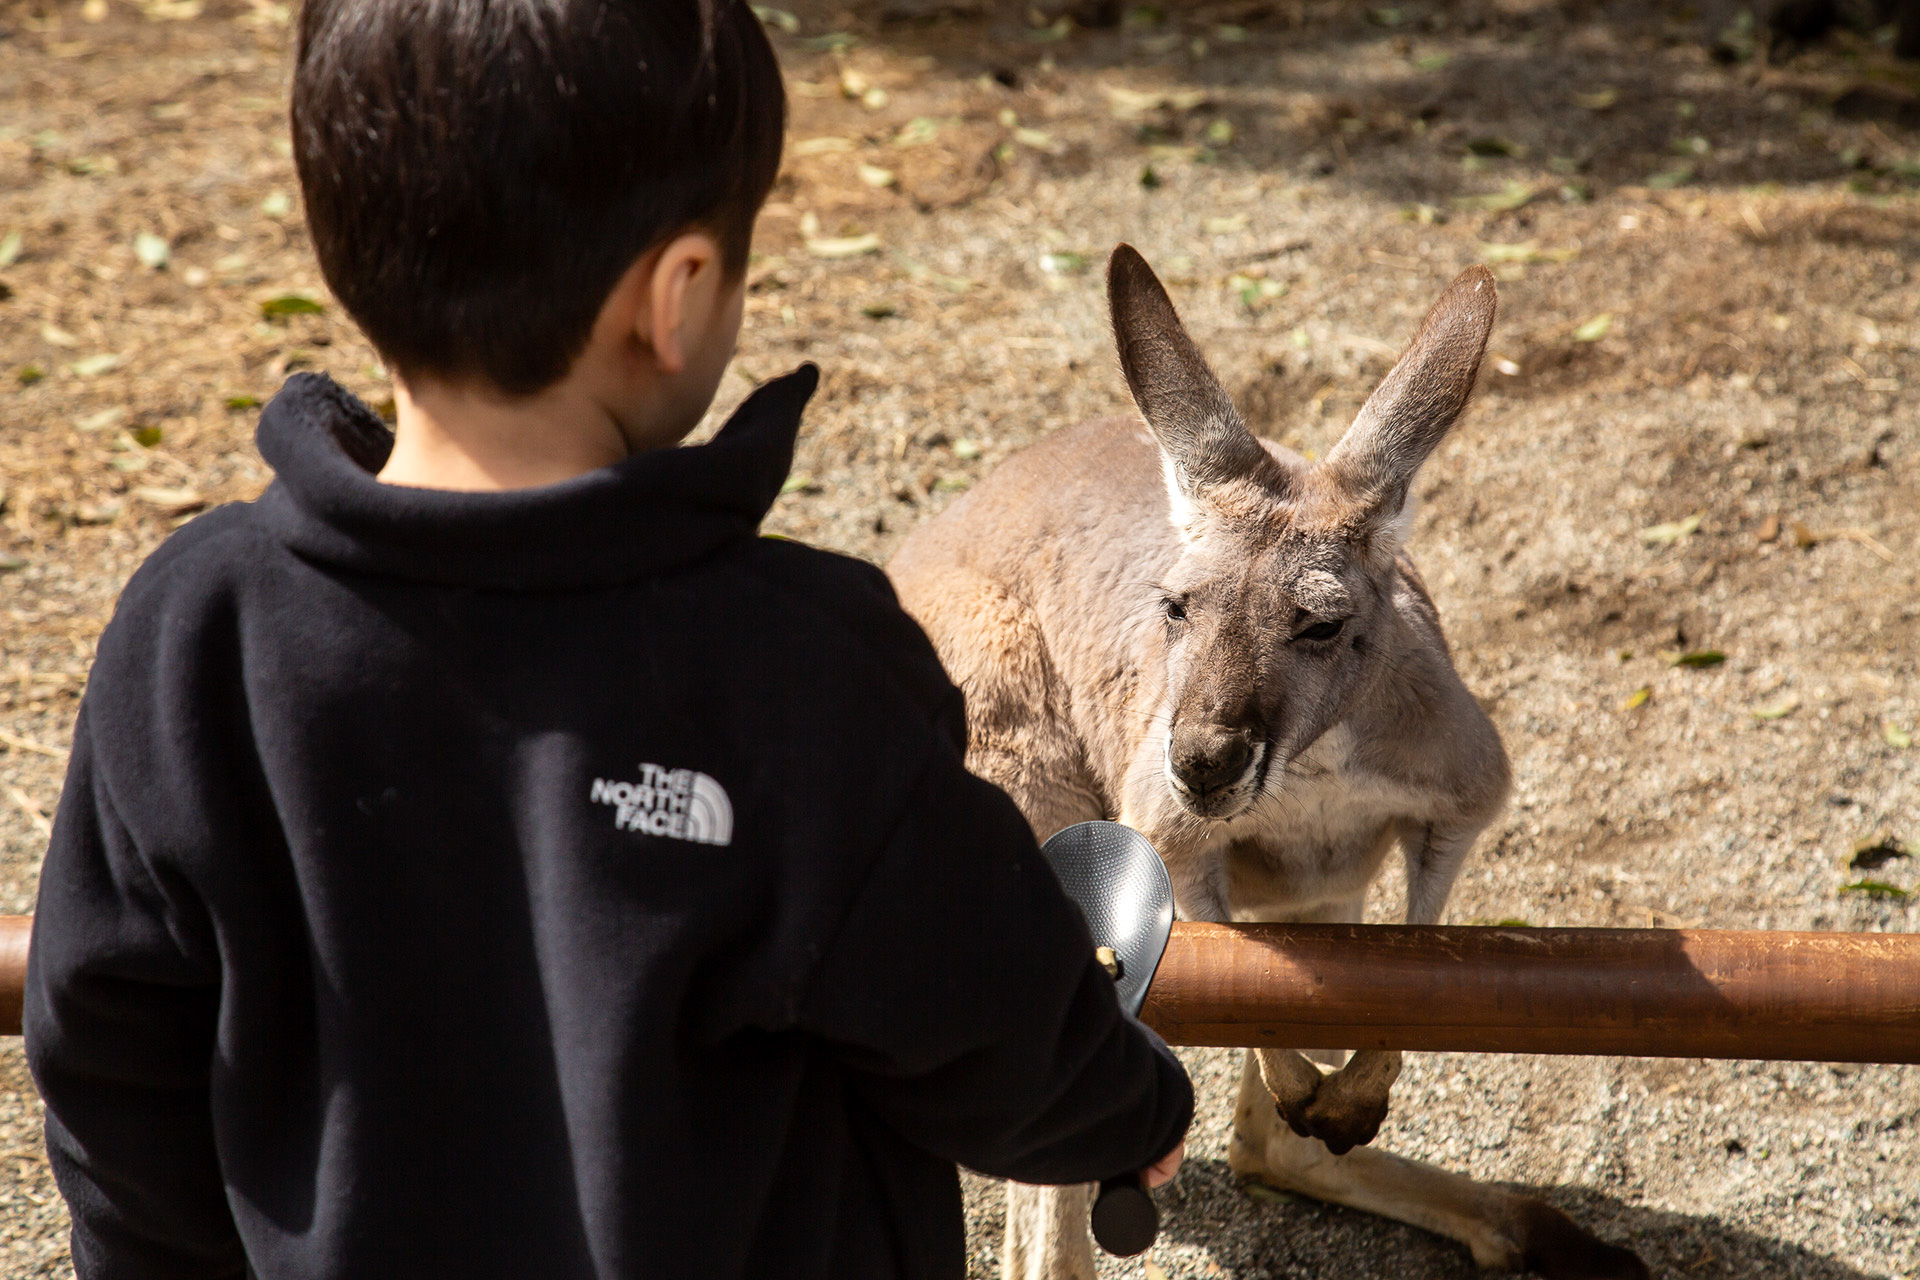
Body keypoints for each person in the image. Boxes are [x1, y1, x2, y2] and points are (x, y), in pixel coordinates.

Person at [23, 1, 1191, 1277]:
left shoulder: (191, 636)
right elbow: (985, 1014)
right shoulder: (799, 663)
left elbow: (110, 1059)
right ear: (679, 296)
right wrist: (1131, 1107)